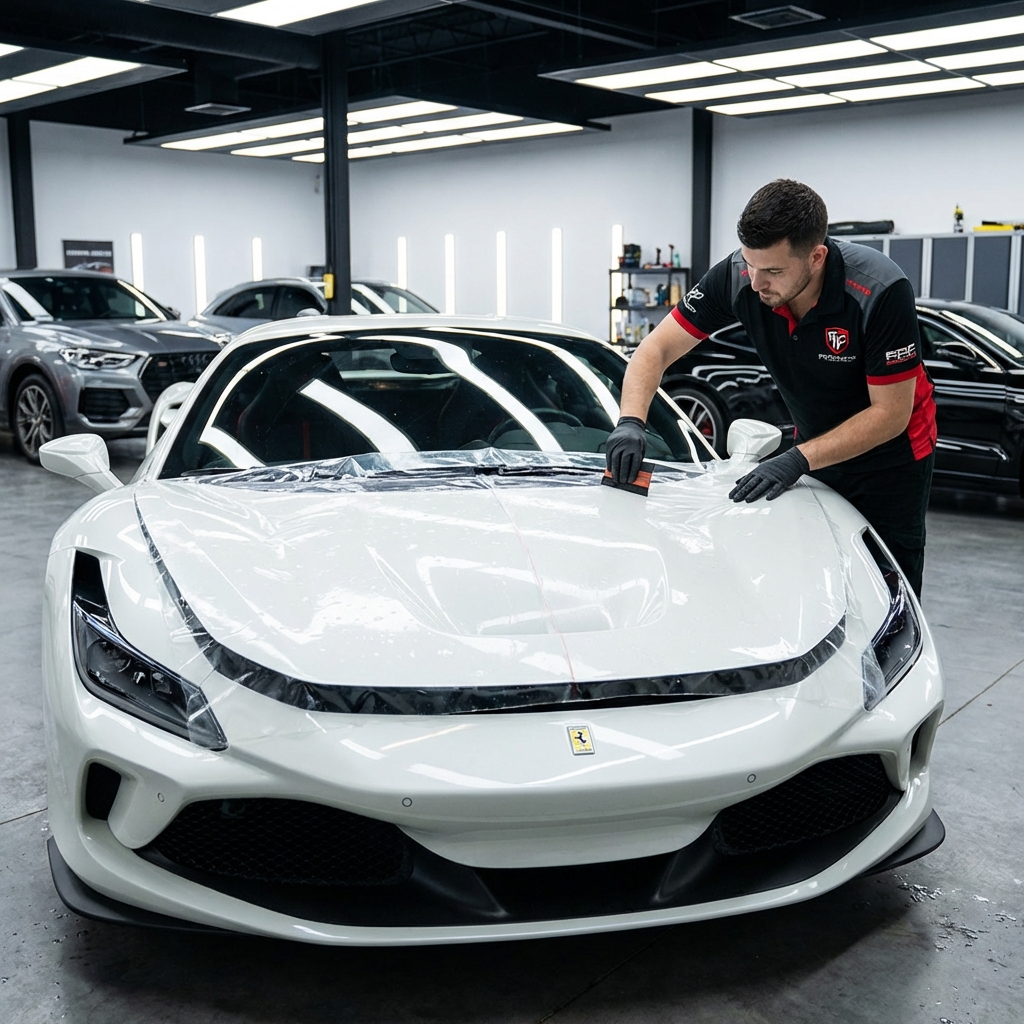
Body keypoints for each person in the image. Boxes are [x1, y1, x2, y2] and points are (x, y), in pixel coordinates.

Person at [605, 179, 936, 596]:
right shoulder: (737, 276)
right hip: (811, 448)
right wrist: (631, 420)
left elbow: (890, 414)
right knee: (816, 578)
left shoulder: (879, 290)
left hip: (891, 462)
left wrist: (798, 458)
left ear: (816, 257)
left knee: (885, 589)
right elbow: (656, 348)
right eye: (750, 264)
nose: (756, 283)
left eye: (774, 271)